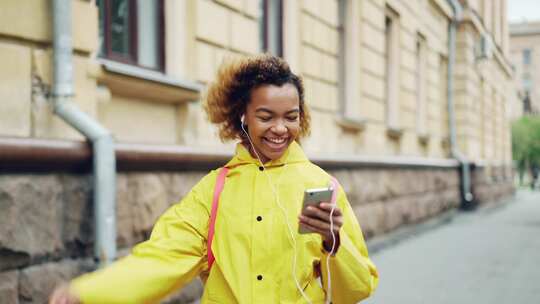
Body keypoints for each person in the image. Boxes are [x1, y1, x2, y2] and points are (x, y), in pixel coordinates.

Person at [50, 54, 378, 304]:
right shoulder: (214, 191)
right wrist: (90, 292)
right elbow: (162, 258)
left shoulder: (323, 188)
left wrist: (333, 244)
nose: (280, 128)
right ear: (242, 116)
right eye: (266, 117)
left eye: (291, 117)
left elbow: (358, 288)